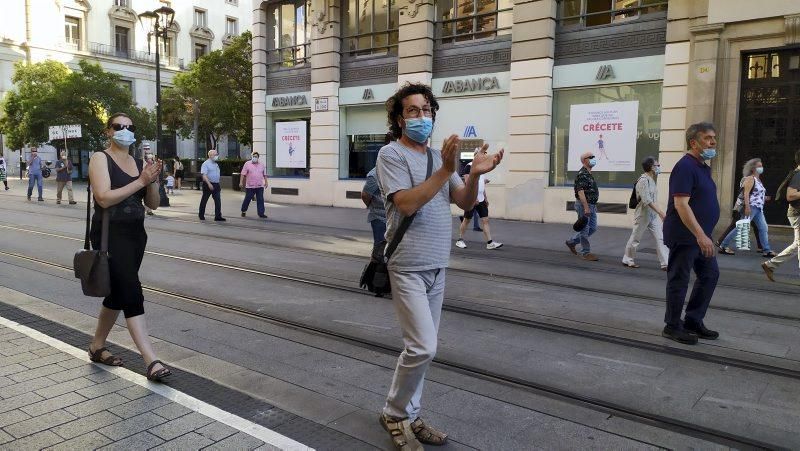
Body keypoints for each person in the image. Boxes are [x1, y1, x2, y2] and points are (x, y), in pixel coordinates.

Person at [376, 83, 504, 451]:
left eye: (426, 110)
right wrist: (448, 168)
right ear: (400, 119)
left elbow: (462, 199)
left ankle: (410, 414)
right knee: (422, 347)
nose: (421, 116)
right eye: (413, 111)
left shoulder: (437, 158)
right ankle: (394, 413)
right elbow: (406, 204)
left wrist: (474, 174)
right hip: (407, 265)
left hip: (437, 264)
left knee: (424, 350)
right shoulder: (391, 155)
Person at [87, 112, 172, 382]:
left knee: (118, 293)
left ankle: (97, 346)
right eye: (118, 126)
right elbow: (103, 197)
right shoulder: (100, 158)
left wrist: (153, 180)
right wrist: (141, 181)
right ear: (108, 131)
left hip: (136, 235)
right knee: (131, 291)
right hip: (110, 235)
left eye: (129, 127)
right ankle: (151, 360)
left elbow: (154, 204)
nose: (124, 130)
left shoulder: (139, 163)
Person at [662, 122, 721, 345]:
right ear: (693, 142)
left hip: (700, 236)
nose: (713, 142)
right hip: (685, 236)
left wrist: (706, 233)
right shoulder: (685, 166)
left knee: (710, 275)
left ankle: (693, 321)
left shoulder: (703, 167)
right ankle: (672, 325)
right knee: (679, 279)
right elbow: (681, 205)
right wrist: (700, 234)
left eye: (714, 138)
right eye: (707, 138)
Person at [717, 158, 774, 257]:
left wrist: (764, 198)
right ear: (753, 168)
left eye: (761, 166)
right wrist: (747, 207)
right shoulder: (750, 179)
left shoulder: (758, 180)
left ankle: (767, 250)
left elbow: (755, 194)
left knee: (763, 228)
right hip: (752, 207)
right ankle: (723, 246)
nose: (761, 168)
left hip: (758, 208)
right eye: (759, 166)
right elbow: (746, 193)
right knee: (741, 227)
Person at [622, 157, 669, 270]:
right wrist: (661, 212)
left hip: (652, 215)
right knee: (636, 238)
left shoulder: (652, 179)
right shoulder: (643, 180)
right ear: (651, 167)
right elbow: (646, 200)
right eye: (657, 165)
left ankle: (665, 263)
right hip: (643, 214)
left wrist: (657, 213)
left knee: (661, 238)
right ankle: (628, 259)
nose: (659, 166)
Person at [762, 150, 800, 282]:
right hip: (797, 214)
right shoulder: (798, 175)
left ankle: (770, 265)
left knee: (797, 244)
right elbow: (790, 195)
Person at [455, 150, 502, 250]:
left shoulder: (483, 168)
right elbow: (468, 182)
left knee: (485, 220)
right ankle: (460, 240)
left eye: (485, 154)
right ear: (476, 155)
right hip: (472, 199)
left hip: (481, 199)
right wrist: (474, 197)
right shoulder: (469, 166)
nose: (484, 155)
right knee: (467, 220)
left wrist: (485, 197)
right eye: (482, 154)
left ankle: (490, 243)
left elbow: (482, 184)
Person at [565, 151, 599, 261]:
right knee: (585, 229)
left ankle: (572, 242)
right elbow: (581, 192)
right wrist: (586, 207)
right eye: (591, 157)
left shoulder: (588, 173)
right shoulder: (582, 174)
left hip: (592, 205)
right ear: (585, 160)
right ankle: (586, 253)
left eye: (594, 156)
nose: (594, 158)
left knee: (593, 228)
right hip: (584, 205)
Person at [361, 167, 386, 245]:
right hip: (380, 217)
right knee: (380, 248)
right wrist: (371, 206)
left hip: (392, 217)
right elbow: (365, 195)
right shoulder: (375, 174)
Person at [240, 151, 268, 218]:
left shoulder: (262, 164)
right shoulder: (247, 164)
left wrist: (266, 182)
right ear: (251, 156)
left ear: (258, 157)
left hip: (259, 186)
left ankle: (261, 213)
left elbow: (264, 174)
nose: (254, 157)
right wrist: (241, 182)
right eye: (253, 156)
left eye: (256, 156)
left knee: (260, 199)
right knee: (247, 199)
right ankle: (243, 211)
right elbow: (243, 173)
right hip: (250, 186)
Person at [199, 149, 225, 221]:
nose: (217, 156)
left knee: (218, 201)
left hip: (216, 184)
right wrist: (209, 184)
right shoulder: (205, 164)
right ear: (210, 155)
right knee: (204, 200)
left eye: (217, 154)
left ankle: (218, 216)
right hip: (208, 184)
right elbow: (204, 175)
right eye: (215, 155)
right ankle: (201, 215)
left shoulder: (216, 164)